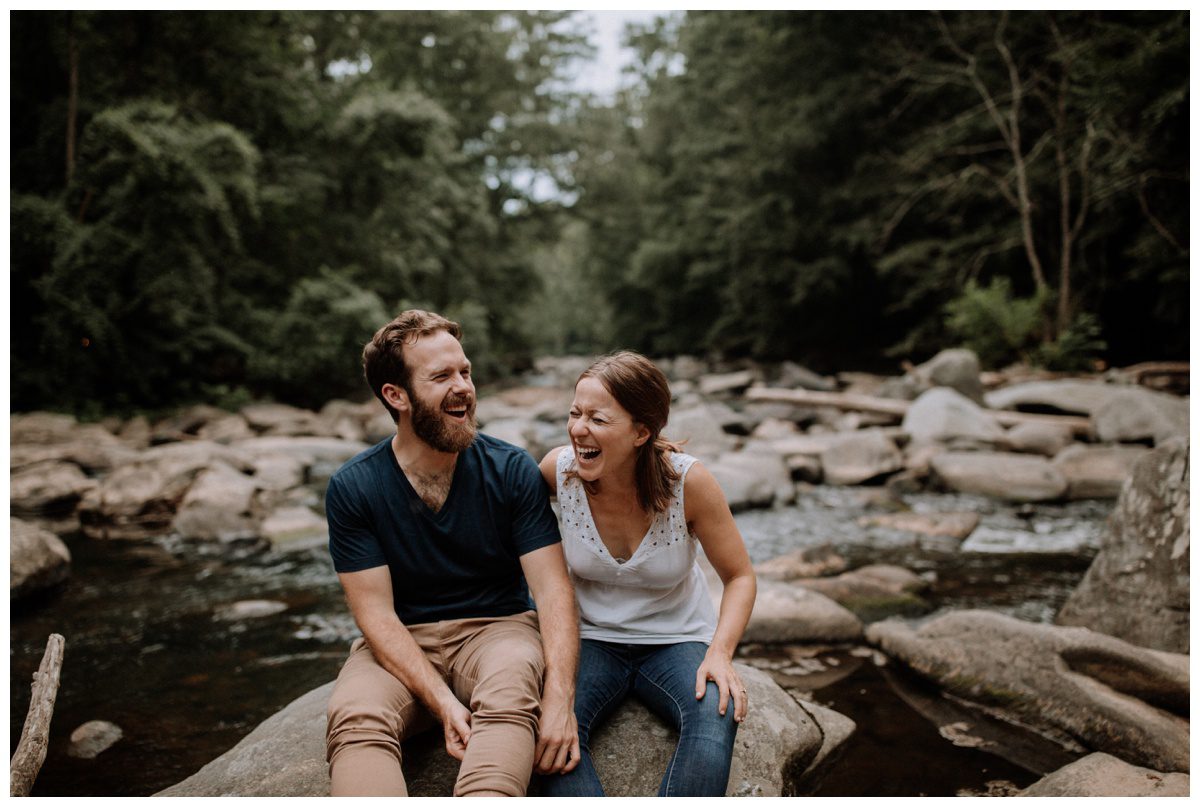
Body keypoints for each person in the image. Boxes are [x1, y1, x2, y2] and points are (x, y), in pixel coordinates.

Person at [324, 310, 580, 797]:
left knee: (510, 689)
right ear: (396, 396)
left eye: (464, 371)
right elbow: (374, 615)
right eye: (441, 376)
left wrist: (560, 698)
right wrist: (442, 703)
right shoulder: (354, 487)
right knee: (355, 715)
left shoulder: (510, 469)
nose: (463, 387)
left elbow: (551, 590)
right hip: (401, 641)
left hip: (497, 630)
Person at [537, 351, 757, 797]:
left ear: (641, 431)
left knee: (718, 713)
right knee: (545, 731)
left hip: (676, 639)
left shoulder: (688, 484)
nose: (579, 429)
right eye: (575, 413)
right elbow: (502, 527)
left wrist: (720, 652)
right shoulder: (558, 473)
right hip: (590, 638)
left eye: (598, 419)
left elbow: (740, 577)